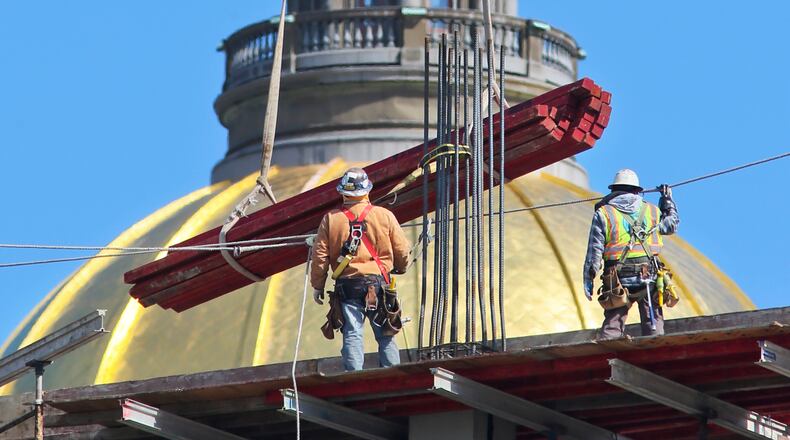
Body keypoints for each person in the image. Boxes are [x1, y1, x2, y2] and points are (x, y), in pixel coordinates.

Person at [311, 167, 410, 371]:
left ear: (343, 192)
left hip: (347, 285)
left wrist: (317, 286)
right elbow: (401, 249)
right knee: (386, 333)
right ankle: (393, 374)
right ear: (367, 190)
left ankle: (353, 375)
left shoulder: (331, 219)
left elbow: (320, 256)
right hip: (379, 284)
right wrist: (401, 267)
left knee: (352, 333)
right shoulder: (384, 216)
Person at [583, 169, 679, 338]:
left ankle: (608, 350)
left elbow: (594, 251)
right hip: (648, 274)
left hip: (617, 276)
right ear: (637, 191)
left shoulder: (604, 213)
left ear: (613, 190)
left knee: (614, 322)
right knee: (653, 322)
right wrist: (667, 201)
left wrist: (589, 278)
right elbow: (671, 225)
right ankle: (656, 350)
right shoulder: (652, 211)